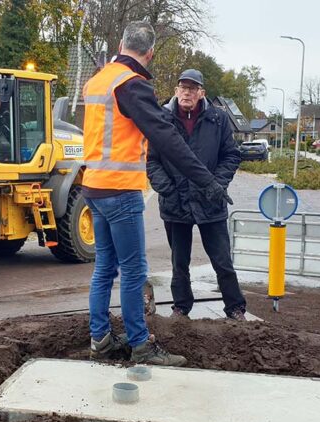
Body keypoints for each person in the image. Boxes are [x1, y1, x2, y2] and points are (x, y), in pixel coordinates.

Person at [82, 21, 231, 367]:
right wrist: (207, 181)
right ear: (149, 53)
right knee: (134, 271)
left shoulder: (98, 80)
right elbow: (167, 138)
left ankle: (100, 339)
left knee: (104, 268)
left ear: (121, 44)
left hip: (93, 188)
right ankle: (140, 345)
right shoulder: (131, 86)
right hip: (120, 192)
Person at [147, 69, 247, 321]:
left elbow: (231, 155)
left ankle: (235, 308)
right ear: (176, 90)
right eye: (183, 87)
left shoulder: (218, 120)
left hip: (209, 202)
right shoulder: (163, 120)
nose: (187, 92)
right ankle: (181, 308)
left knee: (222, 260)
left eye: (192, 88)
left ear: (202, 92)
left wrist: (217, 185)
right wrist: (168, 189)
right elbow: (152, 162)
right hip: (175, 203)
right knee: (179, 263)